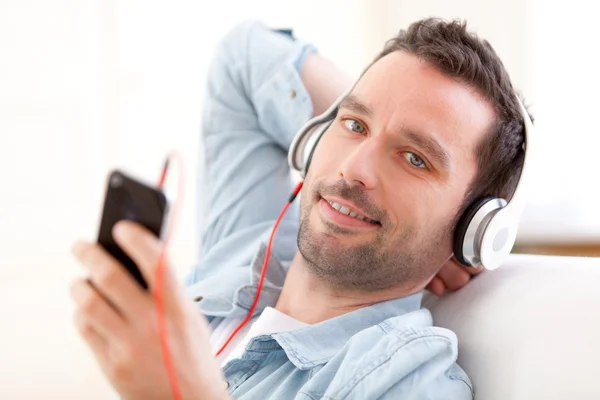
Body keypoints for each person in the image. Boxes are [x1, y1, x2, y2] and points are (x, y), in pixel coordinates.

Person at [70, 18, 528, 399]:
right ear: (315, 135)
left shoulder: (406, 379)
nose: (354, 168)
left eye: (415, 158)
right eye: (353, 123)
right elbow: (243, 55)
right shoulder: (247, 251)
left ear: (472, 230)